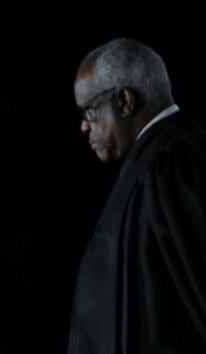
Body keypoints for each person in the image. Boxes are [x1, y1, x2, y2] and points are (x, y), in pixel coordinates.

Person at [69, 38, 206, 353]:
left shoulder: (174, 162)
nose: (84, 126)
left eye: (89, 111)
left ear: (125, 101)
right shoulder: (154, 162)